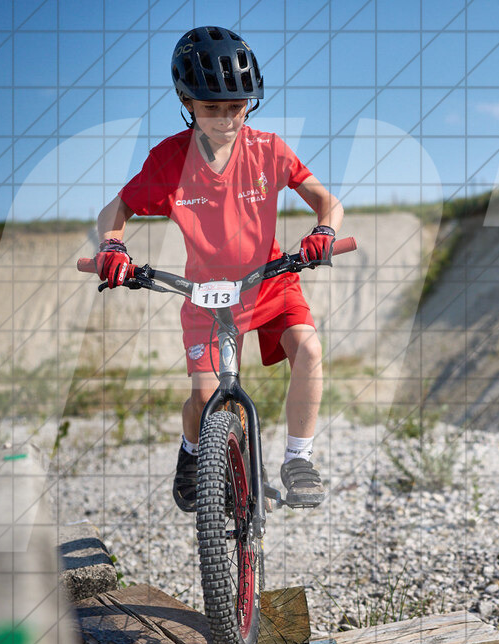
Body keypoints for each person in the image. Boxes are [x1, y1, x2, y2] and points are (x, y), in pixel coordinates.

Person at [94, 26, 342, 512]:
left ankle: (299, 459)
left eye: (236, 106)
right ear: (186, 101)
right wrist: (113, 246)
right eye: (212, 108)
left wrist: (324, 231)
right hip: (206, 293)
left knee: (309, 349)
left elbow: (327, 201)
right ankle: (194, 452)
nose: (227, 119)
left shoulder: (269, 149)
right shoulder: (168, 161)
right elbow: (114, 211)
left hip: (270, 281)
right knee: (206, 397)